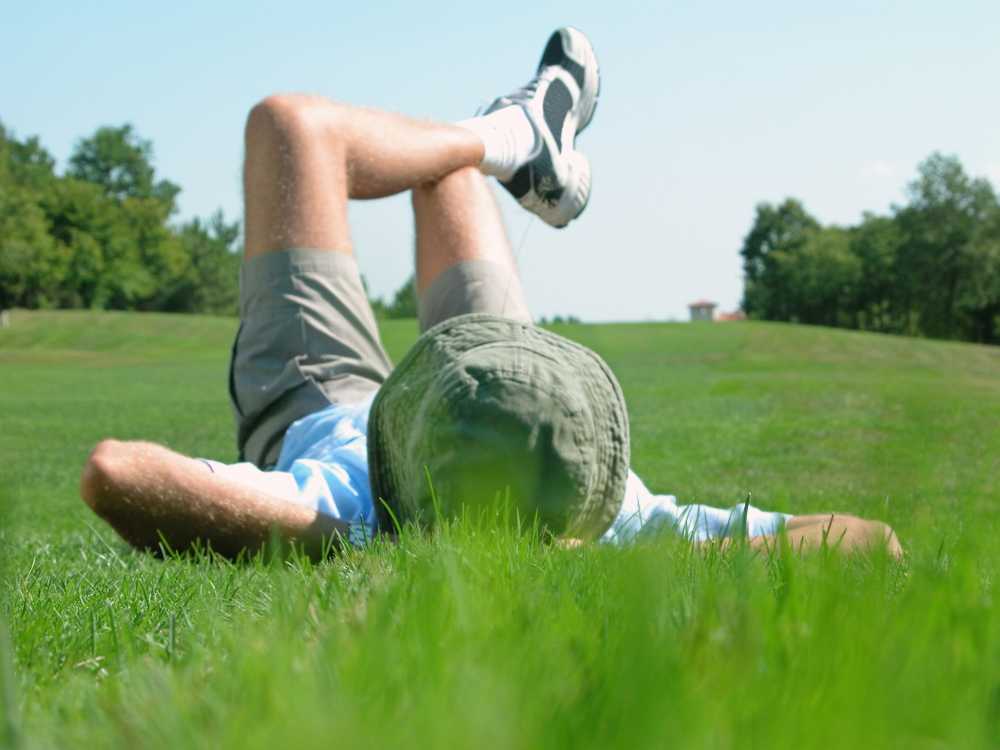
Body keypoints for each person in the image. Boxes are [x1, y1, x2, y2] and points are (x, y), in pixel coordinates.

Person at [79, 27, 901, 559]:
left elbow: (115, 473)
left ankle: (511, 138)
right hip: (510, 379)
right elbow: (874, 543)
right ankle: (508, 141)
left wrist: (341, 539)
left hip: (326, 403)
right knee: (427, 167)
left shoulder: (356, 500)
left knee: (296, 126)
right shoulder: (610, 516)